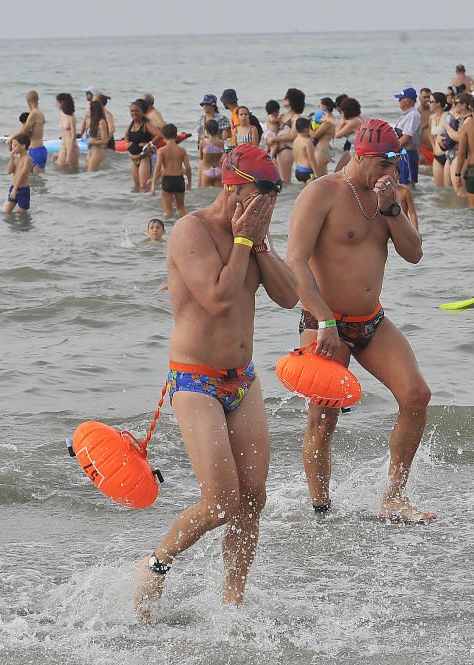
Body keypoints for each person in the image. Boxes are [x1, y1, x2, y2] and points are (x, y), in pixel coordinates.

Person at [133, 143, 299, 619]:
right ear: (232, 188)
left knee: (253, 498)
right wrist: (245, 241)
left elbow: (288, 297)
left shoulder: (255, 235)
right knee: (221, 501)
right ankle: (155, 565)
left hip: (242, 380)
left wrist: (260, 242)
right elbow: (220, 299)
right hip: (195, 380)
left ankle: (232, 600)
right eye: (259, 193)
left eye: (273, 195)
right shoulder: (192, 230)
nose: (267, 204)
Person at [285, 118, 434, 523]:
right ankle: (321, 509)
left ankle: (394, 497)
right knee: (323, 417)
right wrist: (325, 321)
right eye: (386, 166)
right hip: (324, 324)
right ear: (363, 158)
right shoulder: (323, 193)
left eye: (396, 165)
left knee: (416, 396)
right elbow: (295, 263)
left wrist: (391, 209)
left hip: (371, 321)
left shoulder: (386, 196)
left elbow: (414, 253)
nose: (392, 174)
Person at [152, 123, 192, 219]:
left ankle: (169, 232)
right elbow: (188, 168)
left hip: (167, 180)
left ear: (163, 136)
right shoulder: (182, 150)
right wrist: (189, 182)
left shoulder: (161, 150)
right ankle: (185, 225)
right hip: (179, 180)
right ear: (176, 135)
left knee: (167, 211)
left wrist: (153, 183)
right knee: (182, 208)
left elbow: (158, 167)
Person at [265, 89, 305, 182]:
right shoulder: (284, 115)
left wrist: (274, 139)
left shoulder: (296, 117)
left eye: (286, 97)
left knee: (284, 181)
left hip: (286, 150)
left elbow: (293, 136)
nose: (284, 99)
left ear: (292, 100)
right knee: (276, 180)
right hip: (277, 150)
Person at [125, 100, 162, 191]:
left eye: (136, 110)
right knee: (137, 187)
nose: (134, 113)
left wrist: (149, 143)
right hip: (134, 159)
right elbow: (126, 135)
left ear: (142, 112)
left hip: (144, 158)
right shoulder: (131, 124)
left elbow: (159, 134)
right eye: (132, 111)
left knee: (143, 187)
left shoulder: (146, 124)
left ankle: (148, 202)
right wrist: (127, 144)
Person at [12, 91, 47, 173]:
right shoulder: (41, 114)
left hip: (35, 150)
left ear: (28, 102)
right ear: (37, 100)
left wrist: (11, 139)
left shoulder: (33, 114)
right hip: (41, 149)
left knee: (35, 180)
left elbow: (24, 132)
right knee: (38, 181)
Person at [393, 87, 422, 187]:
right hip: (402, 153)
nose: (399, 101)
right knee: (401, 182)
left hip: (407, 154)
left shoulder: (413, 115)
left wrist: (391, 151)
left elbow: (406, 137)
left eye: (401, 99)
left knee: (407, 185)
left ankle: (411, 202)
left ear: (408, 101)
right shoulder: (407, 115)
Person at [334, 97, 363, 172]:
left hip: (356, 155)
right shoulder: (358, 119)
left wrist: (342, 122)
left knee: (338, 173)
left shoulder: (353, 122)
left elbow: (337, 135)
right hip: (356, 153)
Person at [5, 134, 32, 213]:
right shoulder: (16, 158)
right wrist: (12, 158)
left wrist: (15, 189)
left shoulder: (27, 159)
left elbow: (22, 175)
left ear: (23, 146)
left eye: (15, 145)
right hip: (13, 187)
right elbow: (9, 171)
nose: (13, 147)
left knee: (22, 214)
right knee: (7, 212)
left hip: (23, 190)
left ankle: (24, 225)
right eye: (13, 145)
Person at [54, 93, 79, 170]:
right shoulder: (62, 114)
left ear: (62, 102)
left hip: (71, 147)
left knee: (72, 171)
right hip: (63, 146)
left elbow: (73, 136)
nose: (56, 104)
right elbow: (64, 134)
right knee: (59, 168)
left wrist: (69, 153)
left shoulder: (71, 117)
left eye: (57, 102)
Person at [199, 119, 226, 188]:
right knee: (217, 195)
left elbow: (201, 157)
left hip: (207, 170)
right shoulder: (221, 143)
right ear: (217, 130)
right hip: (219, 171)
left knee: (205, 195)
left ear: (206, 130)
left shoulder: (203, 142)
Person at [84, 100, 110, 172]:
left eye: (88, 109)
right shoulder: (91, 121)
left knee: (91, 171)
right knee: (89, 174)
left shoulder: (101, 122)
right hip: (90, 150)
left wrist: (93, 141)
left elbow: (105, 140)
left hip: (97, 150)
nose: (87, 110)